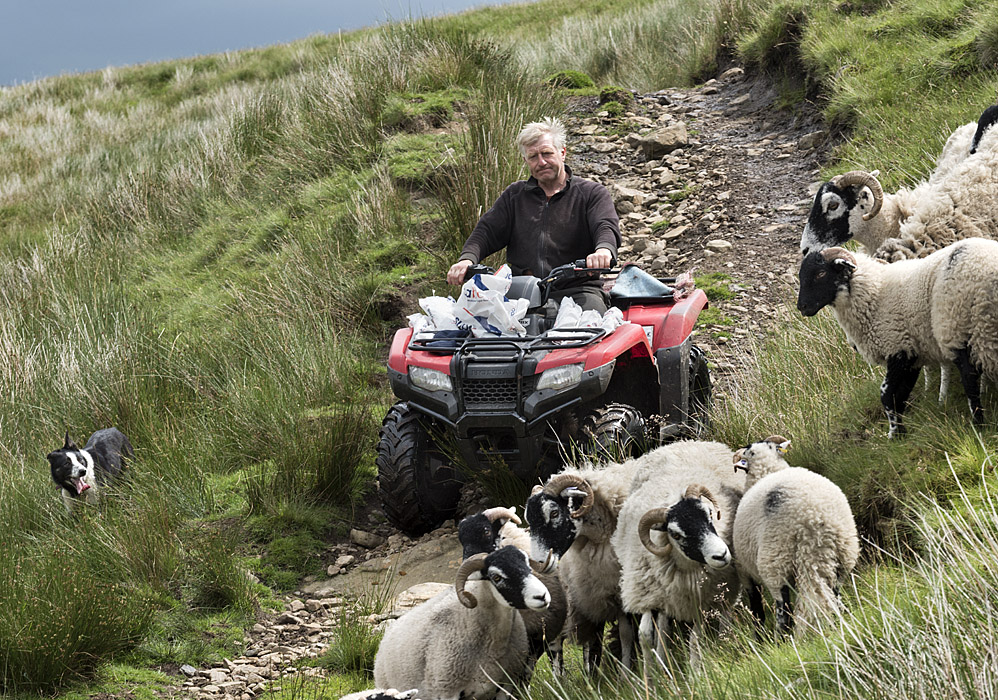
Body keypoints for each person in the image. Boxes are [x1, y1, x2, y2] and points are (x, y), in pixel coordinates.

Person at [446, 117, 621, 313]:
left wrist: (603, 251)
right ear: (525, 160)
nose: (542, 162)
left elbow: (605, 226)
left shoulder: (591, 193)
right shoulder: (514, 195)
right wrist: (466, 260)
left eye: (547, 153)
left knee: (590, 330)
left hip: (578, 289)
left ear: (562, 152)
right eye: (533, 156)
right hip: (521, 292)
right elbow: (486, 232)